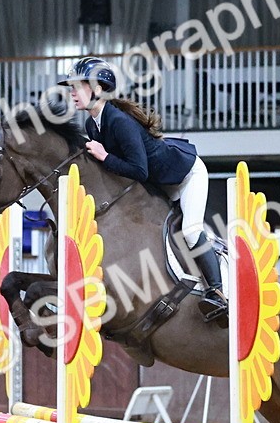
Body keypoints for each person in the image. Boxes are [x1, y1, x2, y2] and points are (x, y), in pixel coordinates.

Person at [58, 56, 227, 326]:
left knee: (192, 231)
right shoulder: (93, 124)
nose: (72, 93)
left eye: (77, 86)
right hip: (161, 183)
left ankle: (217, 292)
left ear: (97, 89)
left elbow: (139, 170)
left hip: (186, 174)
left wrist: (103, 157)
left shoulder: (119, 121)